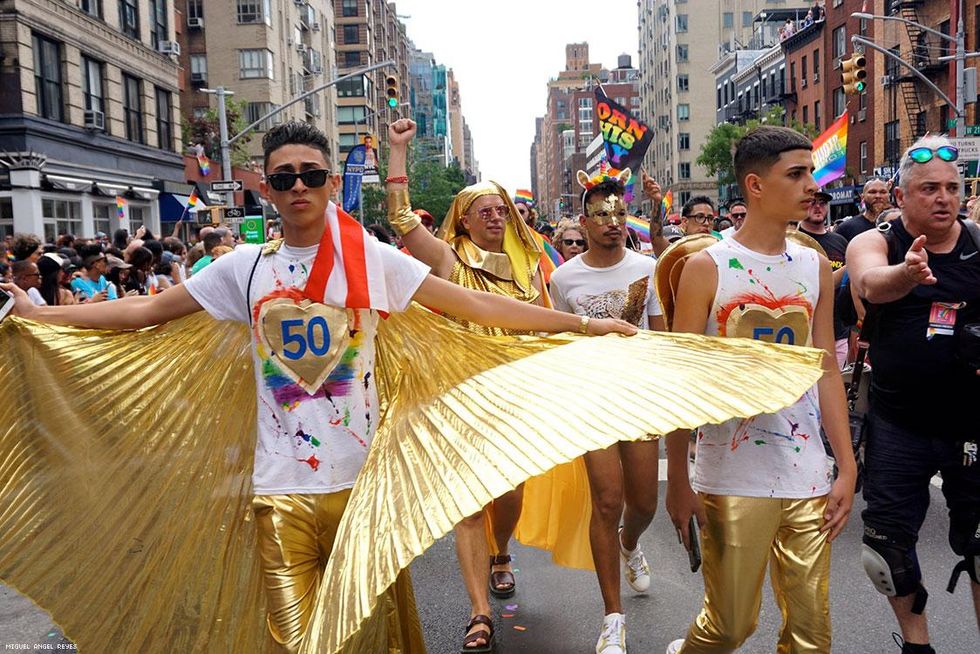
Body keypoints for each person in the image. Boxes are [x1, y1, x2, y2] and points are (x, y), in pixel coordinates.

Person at [0, 120, 637, 654]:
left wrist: (582, 323)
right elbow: (142, 313)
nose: (298, 186)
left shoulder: (371, 261)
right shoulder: (241, 269)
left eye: (310, 174)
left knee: (366, 637)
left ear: (331, 181)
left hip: (365, 490)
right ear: (268, 189)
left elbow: (479, 309)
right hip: (280, 491)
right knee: (294, 640)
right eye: (283, 178)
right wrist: (40, 316)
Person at [664, 126, 855, 653]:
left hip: (808, 473)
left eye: (810, 172)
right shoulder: (706, 268)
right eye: (796, 174)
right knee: (729, 628)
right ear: (755, 185)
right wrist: (677, 480)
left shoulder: (816, 265)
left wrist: (846, 465)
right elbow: (682, 381)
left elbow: (825, 371)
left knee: (811, 637)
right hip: (731, 473)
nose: (811, 186)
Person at [386, 120, 557, 652]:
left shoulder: (532, 263)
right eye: (484, 211)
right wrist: (397, 151)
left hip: (516, 395)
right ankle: (480, 610)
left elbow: (546, 319)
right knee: (466, 503)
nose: (495, 218)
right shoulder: (448, 257)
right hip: (461, 394)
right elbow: (399, 219)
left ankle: (501, 549)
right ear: (463, 219)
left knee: (507, 497)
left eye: (501, 211)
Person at [846, 135, 980, 654]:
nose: (942, 197)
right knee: (887, 550)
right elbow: (870, 284)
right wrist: (908, 273)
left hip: (971, 422)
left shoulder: (977, 242)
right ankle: (917, 646)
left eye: (951, 187)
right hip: (899, 423)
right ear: (902, 197)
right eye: (928, 188)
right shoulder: (876, 241)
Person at [549, 171, 665, 654]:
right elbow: (555, 337)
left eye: (619, 214)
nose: (613, 223)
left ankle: (629, 543)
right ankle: (612, 617)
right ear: (584, 221)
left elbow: (660, 336)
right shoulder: (563, 277)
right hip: (590, 398)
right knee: (606, 501)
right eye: (602, 215)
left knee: (643, 505)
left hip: (638, 398)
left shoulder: (648, 267)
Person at [799, 189, 850, 367]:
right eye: (813, 202)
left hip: (838, 332)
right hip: (806, 335)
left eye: (822, 203)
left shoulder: (840, 241)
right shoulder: (794, 241)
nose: (818, 207)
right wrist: (849, 266)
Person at [835, 178, 892, 242]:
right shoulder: (845, 229)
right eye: (872, 192)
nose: (878, 196)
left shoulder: (897, 226)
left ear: (889, 196)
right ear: (862, 197)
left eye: (883, 192)